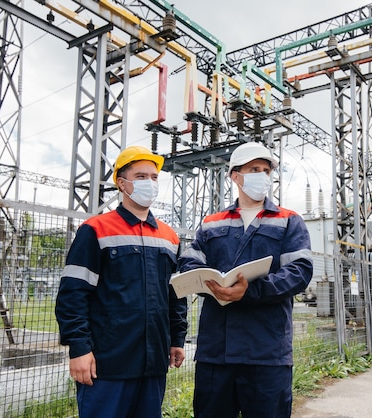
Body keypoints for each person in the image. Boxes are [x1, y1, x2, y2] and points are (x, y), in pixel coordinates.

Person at [178, 141, 313, 418]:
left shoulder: (289, 221)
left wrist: (251, 290)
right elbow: (190, 262)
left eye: (266, 170)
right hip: (217, 352)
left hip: (266, 353)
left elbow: (299, 271)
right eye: (254, 169)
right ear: (235, 175)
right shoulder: (212, 223)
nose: (262, 175)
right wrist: (211, 285)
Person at [55, 145, 188, 418]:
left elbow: (175, 295)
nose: (149, 183)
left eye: (153, 177)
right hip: (107, 365)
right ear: (122, 183)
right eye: (141, 176)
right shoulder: (96, 229)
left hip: (153, 364)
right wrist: (79, 349)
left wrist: (177, 339)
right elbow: (73, 294)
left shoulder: (169, 236)